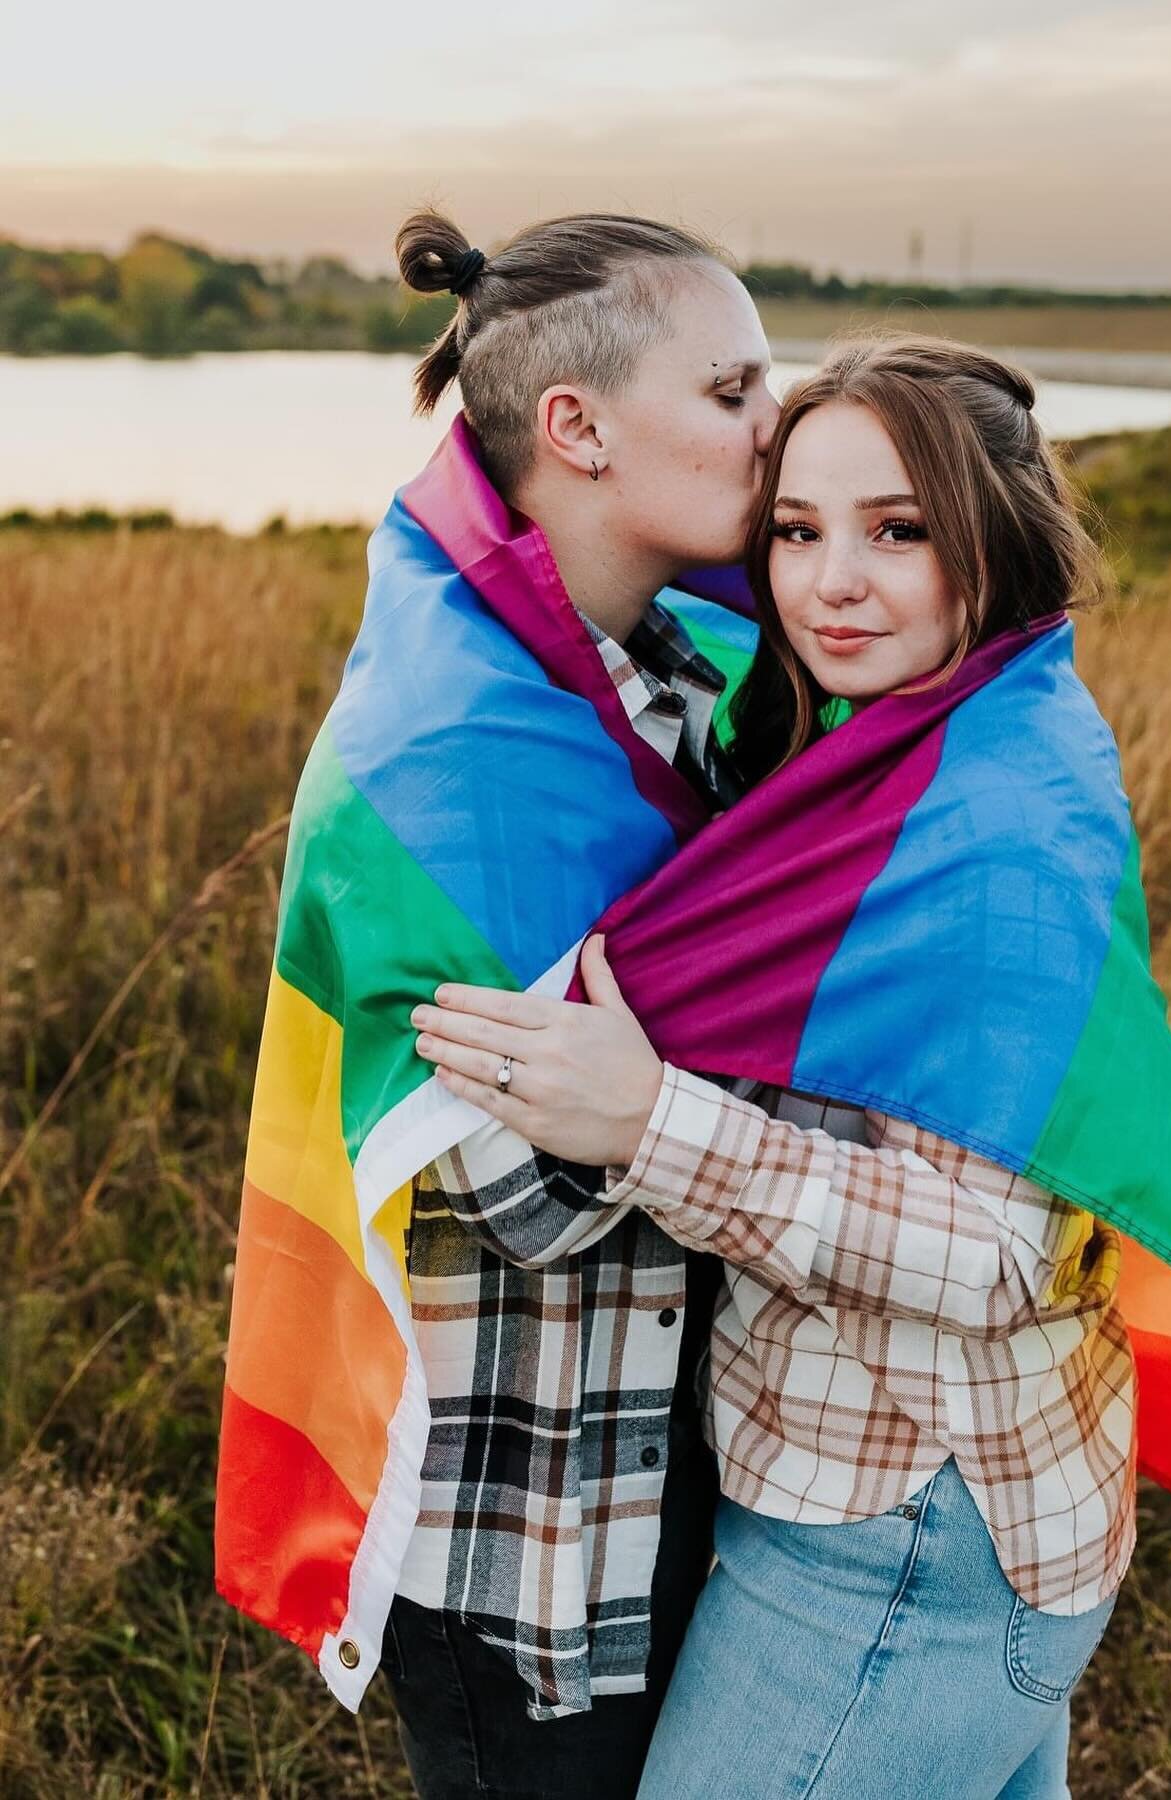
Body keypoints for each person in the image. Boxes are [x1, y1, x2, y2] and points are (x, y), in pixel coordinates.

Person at [412, 338, 1137, 1798]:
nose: (830, 586)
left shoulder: (993, 834)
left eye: (899, 531)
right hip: (943, 1497)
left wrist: (649, 1121)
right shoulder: (911, 747)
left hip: (900, 1535)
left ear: (992, 535)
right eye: (796, 533)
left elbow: (1009, 1251)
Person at [215, 207, 777, 1800]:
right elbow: (517, 1183)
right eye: (732, 391)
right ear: (577, 427)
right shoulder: (450, 748)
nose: (773, 427)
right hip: (527, 1547)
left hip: (667, 1466)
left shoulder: (673, 670)